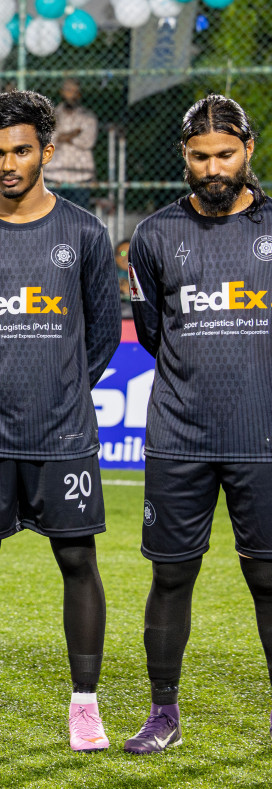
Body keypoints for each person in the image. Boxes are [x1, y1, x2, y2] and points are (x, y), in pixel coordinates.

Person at [0, 90, 121, 751]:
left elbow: (104, 333)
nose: (8, 164)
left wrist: (62, 389)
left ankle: (85, 706)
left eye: (20, 151)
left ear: (46, 150)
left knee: (77, 558)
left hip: (63, 432)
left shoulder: (84, 233)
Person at [121, 94, 272, 753]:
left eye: (226, 154)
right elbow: (155, 334)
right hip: (180, 434)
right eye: (200, 156)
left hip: (263, 434)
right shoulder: (155, 234)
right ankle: (163, 714)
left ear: (249, 151)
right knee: (172, 574)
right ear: (184, 157)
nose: (214, 167)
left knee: (267, 575)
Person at [49, 79, 98, 207]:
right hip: (55, 175)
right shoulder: (51, 116)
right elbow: (49, 140)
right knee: (53, 219)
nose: (72, 95)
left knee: (78, 219)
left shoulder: (88, 116)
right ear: (62, 92)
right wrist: (74, 134)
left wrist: (62, 136)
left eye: (75, 91)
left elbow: (88, 141)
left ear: (79, 94)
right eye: (69, 90)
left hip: (80, 176)